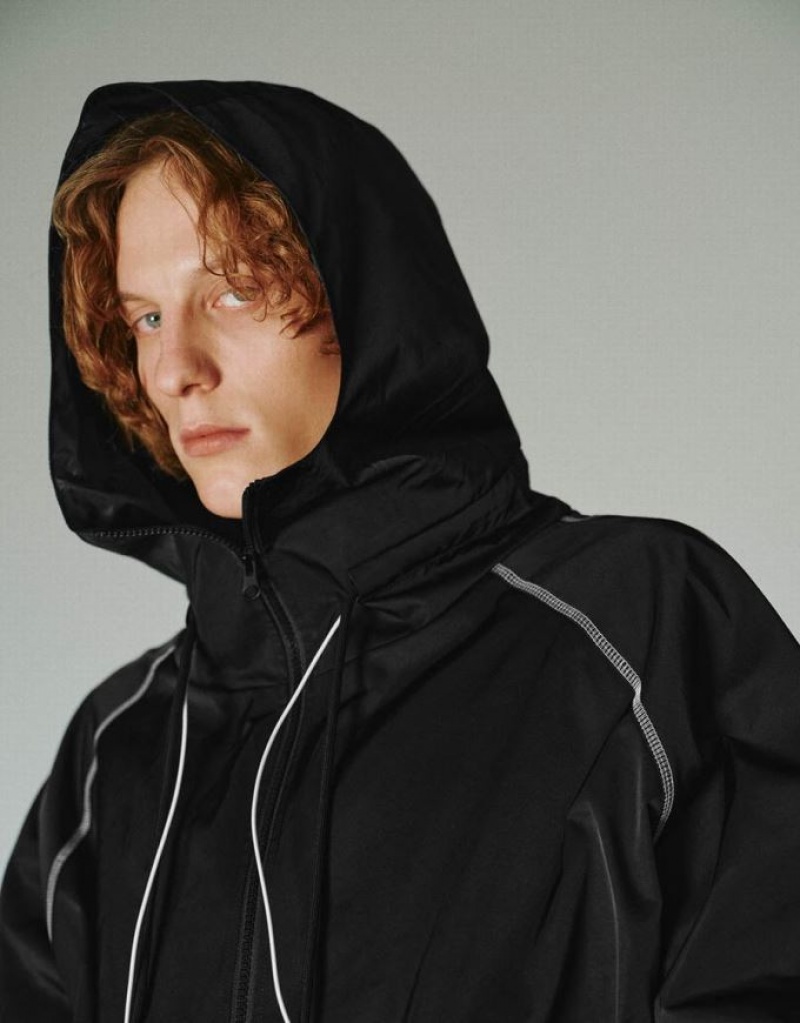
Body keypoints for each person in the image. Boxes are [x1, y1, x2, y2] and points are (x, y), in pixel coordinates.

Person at [1, 80, 799, 1023]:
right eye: (146, 317)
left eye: (234, 290)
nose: (176, 369)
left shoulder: (637, 633)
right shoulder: (116, 756)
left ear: (369, 300)